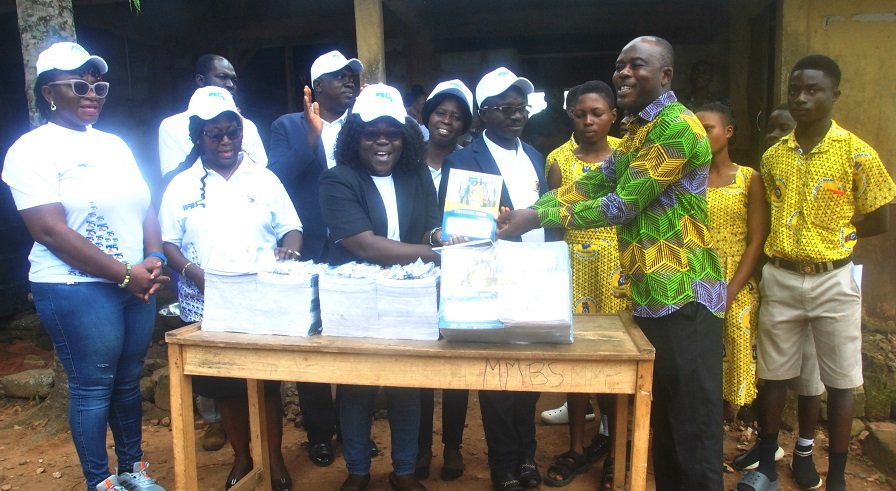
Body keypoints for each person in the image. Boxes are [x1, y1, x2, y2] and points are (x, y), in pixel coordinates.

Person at [495, 36, 727, 490]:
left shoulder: (677, 128)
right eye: (619, 64)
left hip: (686, 296)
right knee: (663, 423)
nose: (622, 72)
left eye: (635, 65)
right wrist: (532, 212)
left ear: (665, 76)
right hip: (649, 296)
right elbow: (594, 182)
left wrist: (536, 218)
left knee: (693, 431)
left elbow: (622, 204)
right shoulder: (640, 133)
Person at [2, 42, 168, 491]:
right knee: (93, 386)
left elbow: (145, 207)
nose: (92, 93)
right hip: (75, 288)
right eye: (80, 85)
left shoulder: (114, 145)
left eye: (99, 86)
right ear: (49, 92)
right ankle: (101, 482)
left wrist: (154, 257)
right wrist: (123, 273)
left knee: (127, 382)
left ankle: (133, 471)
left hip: (134, 282)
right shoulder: (31, 149)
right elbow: (49, 230)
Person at [738, 55, 896, 491]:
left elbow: (881, 218)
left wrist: (840, 234)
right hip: (782, 277)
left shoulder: (857, 153)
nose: (803, 98)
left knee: (840, 381)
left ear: (834, 96)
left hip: (833, 279)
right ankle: (767, 465)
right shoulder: (774, 157)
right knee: (773, 374)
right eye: (796, 90)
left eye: (814, 91)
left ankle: (839, 477)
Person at [158, 86, 300, 491]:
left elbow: (292, 228)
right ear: (198, 137)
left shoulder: (264, 177)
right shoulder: (181, 185)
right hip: (205, 303)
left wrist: (287, 255)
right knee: (225, 385)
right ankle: (242, 455)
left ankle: (273, 460)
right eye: (214, 133)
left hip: (259, 299)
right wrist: (192, 272)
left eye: (232, 133)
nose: (224, 141)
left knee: (265, 382)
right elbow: (169, 242)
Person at [319, 83, 453, 491]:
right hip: (355, 299)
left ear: (405, 138)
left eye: (391, 132)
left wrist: (443, 237)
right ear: (354, 136)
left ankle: (405, 471)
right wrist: (431, 253)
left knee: (406, 385)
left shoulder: (415, 176)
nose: (382, 140)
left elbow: (431, 225)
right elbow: (362, 244)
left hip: (407, 297)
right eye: (371, 132)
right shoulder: (338, 179)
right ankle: (358, 470)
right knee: (358, 387)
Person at [439, 66, 558, 491]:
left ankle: (527, 455)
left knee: (528, 373)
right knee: (497, 377)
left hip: (535, 278)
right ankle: (503, 464)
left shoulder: (535, 157)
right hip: (489, 278)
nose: (516, 116)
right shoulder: (463, 160)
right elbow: (459, 227)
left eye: (521, 108)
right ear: (484, 114)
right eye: (505, 108)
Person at [267, 49, 363, 468]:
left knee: (353, 342)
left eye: (352, 77)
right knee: (312, 344)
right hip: (307, 251)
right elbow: (275, 178)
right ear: (316, 87)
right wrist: (310, 136)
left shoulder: (363, 129)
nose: (349, 82)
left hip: (354, 251)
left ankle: (353, 430)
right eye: (339, 77)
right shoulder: (288, 126)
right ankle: (321, 434)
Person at [540, 81, 626, 489]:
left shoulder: (629, 156)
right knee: (576, 362)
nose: (589, 120)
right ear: (570, 115)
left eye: (598, 113)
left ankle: (614, 447)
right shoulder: (558, 159)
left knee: (616, 364)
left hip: (620, 272)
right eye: (580, 113)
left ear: (613, 116)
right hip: (574, 269)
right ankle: (576, 446)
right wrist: (555, 277)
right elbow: (555, 222)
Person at [730, 103, 813, 475]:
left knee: (806, 372)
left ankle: (804, 452)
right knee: (772, 368)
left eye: (784, 128)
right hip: (774, 276)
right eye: (771, 130)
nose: (775, 136)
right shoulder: (769, 168)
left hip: (816, 273)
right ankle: (770, 446)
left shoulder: (821, 164)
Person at [415, 79, 474, 481]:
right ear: (429, 115)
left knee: (456, 364)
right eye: (441, 113)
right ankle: (419, 447)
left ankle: (452, 446)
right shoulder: (406, 160)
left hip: (460, 272)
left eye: (455, 116)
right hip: (415, 270)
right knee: (418, 365)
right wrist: (430, 238)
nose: (446, 121)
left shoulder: (472, 165)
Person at [695, 103, 768, 419]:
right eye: (694, 130)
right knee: (698, 357)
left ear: (728, 131)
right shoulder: (688, 180)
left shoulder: (748, 179)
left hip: (735, 278)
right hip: (695, 276)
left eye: (707, 128)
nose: (700, 135)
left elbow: (756, 241)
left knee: (736, 343)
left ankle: (731, 422)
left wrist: (730, 291)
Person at [159, 54, 267, 179]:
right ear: (200, 80)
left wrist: (238, 139)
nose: (230, 84)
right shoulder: (172, 125)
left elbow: (264, 175)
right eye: (222, 77)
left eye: (233, 132)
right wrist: (200, 145)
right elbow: (169, 180)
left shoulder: (247, 125)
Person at [523, 86, 573, 156]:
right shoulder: (536, 119)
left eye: (561, 95)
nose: (558, 99)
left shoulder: (572, 118)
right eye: (554, 95)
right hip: (543, 162)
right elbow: (536, 142)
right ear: (545, 98)